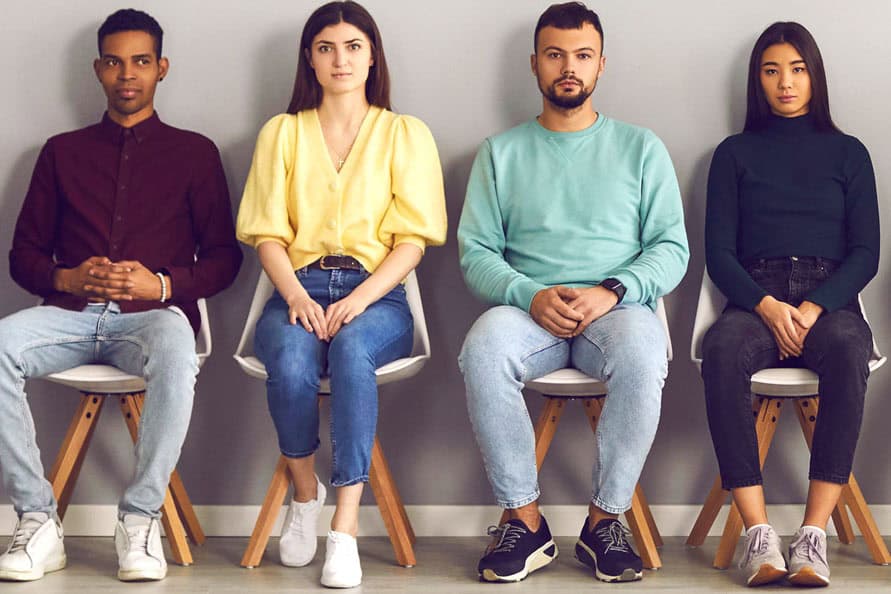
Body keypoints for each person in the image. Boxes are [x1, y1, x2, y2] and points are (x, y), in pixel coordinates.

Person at [0, 9, 242, 583]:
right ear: (98, 70)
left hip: (153, 318)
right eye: (113, 62)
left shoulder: (195, 153)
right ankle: (38, 520)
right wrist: (67, 280)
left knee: (177, 350)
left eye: (139, 61)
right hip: (69, 317)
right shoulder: (60, 152)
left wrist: (158, 285)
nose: (125, 74)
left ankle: (139, 518)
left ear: (161, 69)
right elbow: (22, 256)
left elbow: (226, 259)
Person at [457, 1, 688, 584]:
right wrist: (529, 294)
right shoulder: (499, 153)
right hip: (529, 312)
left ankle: (605, 521)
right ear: (534, 64)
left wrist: (612, 291)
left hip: (616, 311)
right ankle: (524, 522)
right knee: (482, 348)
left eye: (582, 56)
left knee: (644, 349)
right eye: (556, 55)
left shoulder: (641, 148)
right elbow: (475, 252)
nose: (569, 67)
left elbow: (671, 248)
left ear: (601, 65)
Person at [236, 1, 446, 588]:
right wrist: (297, 298)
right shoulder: (282, 132)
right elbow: (268, 235)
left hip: (378, 295)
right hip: (295, 286)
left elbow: (412, 242)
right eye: (326, 47)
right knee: (291, 358)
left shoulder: (405, 133)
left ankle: (345, 529)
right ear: (310, 57)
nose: (340, 59)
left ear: (372, 54)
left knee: (353, 353)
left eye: (353, 46)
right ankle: (306, 494)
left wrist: (359, 300)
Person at [702, 21, 879, 589]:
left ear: (814, 76)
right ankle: (757, 535)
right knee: (723, 348)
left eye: (798, 69)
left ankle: (812, 535)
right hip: (755, 296)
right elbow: (718, 254)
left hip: (829, 301)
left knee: (852, 347)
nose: (786, 82)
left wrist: (816, 308)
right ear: (757, 80)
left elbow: (867, 252)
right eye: (772, 70)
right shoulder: (733, 155)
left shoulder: (850, 153)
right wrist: (768, 307)